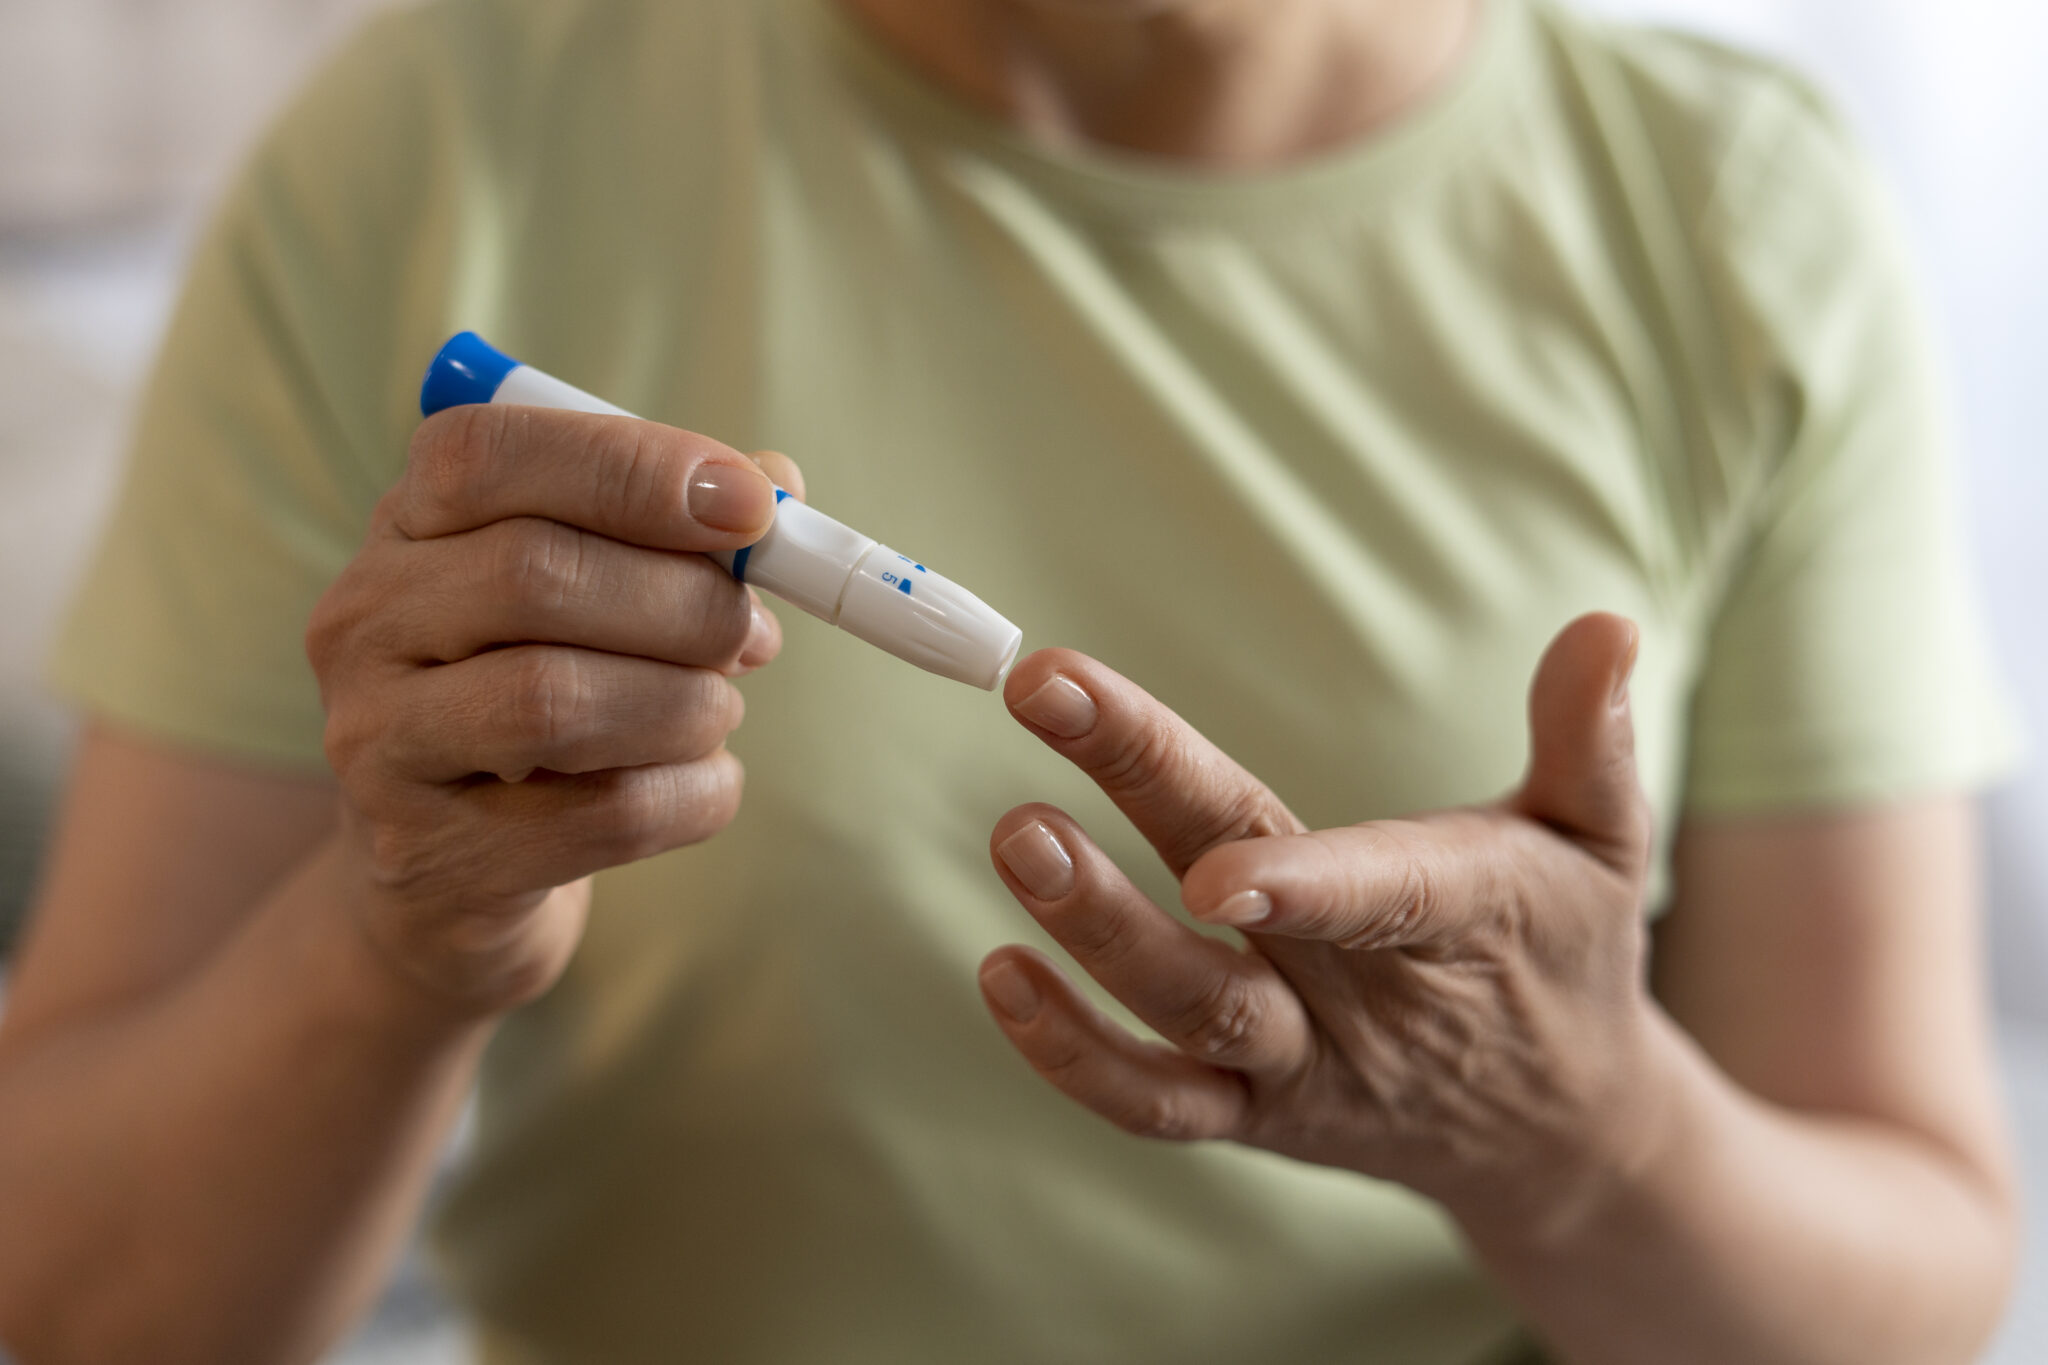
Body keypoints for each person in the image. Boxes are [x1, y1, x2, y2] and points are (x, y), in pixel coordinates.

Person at [0, 0, 2023, 1360]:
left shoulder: (1725, 217)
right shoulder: (442, 142)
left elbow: (1921, 1286)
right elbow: (74, 1292)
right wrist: (397, 942)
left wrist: (1580, 1135)